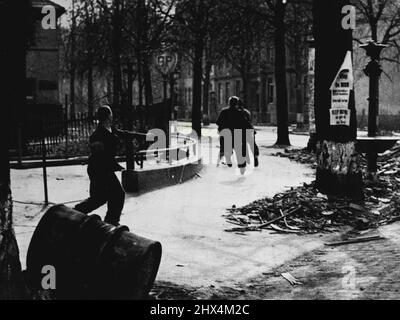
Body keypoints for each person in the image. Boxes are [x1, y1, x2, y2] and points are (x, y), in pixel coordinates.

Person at [74, 105, 145, 226]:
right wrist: (115, 165)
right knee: (115, 195)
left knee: (100, 198)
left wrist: (143, 136)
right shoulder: (97, 135)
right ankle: (110, 221)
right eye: (111, 114)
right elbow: (100, 156)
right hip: (98, 170)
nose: (112, 116)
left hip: (105, 169)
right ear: (108, 116)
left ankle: (78, 213)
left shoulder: (110, 129)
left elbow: (125, 134)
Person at [216, 96, 252, 174]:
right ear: (237, 103)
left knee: (225, 149)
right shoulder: (240, 112)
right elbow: (245, 123)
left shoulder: (224, 111)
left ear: (229, 103)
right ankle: (242, 167)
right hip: (237, 135)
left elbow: (218, 122)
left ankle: (220, 163)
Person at [238, 99, 259, 167]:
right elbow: (250, 121)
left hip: (242, 131)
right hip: (250, 130)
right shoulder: (247, 112)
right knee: (252, 144)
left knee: (243, 146)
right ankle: (255, 156)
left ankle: (243, 161)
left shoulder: (237, 112)